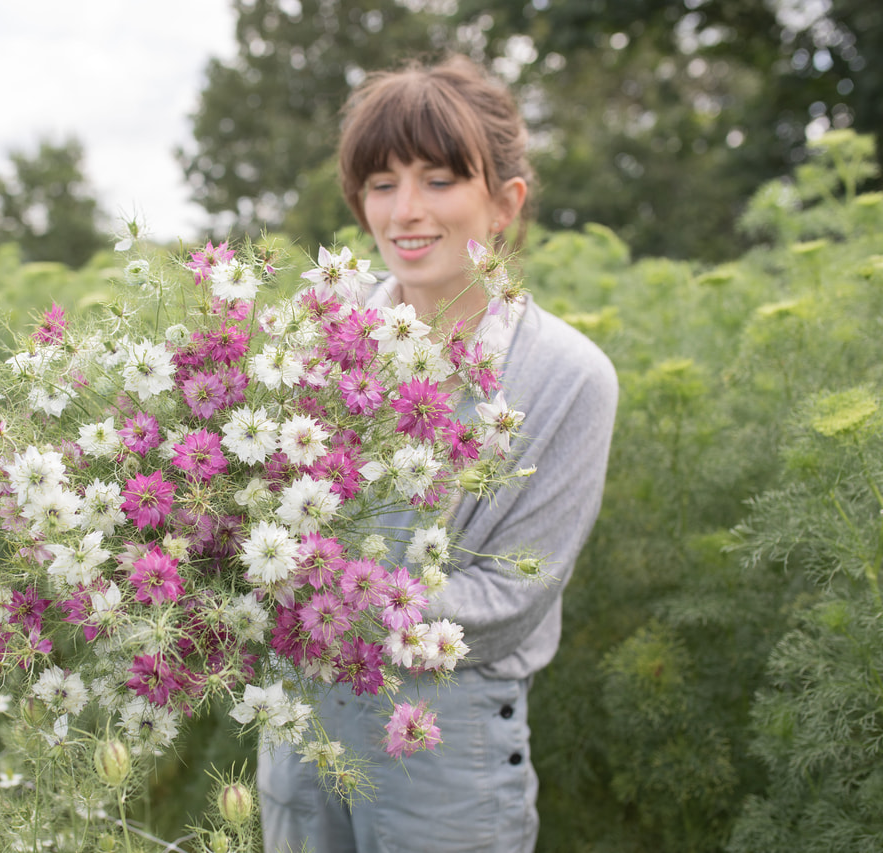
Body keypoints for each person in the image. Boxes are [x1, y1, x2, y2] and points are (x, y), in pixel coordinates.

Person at [257, 54, 619, 853]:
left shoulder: (565, 376)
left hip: (442, 740)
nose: (405, 211)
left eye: (439, 179)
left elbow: (502, 605)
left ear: (503, 203)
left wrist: (324, 599)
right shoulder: (315, 335)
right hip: (301, 720)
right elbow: (256, 507)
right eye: (382, 184)